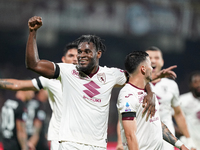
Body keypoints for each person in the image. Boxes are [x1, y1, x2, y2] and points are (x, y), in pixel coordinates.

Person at [25, 16, 177, 150]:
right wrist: (33, 33)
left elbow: (138, 78)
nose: (81, 55)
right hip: (70, 143)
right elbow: (34, 64)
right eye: (80, 51)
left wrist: (150, 93)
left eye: (87, 52)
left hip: (98, 145)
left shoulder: (111, 75)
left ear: (98, 54)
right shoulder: (66, 71)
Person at [0, 42, 78, 150]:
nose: (75, 59)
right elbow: (19, 84)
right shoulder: (52, 80)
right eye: (71, 55)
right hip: (60, 141)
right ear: (63, 60)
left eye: (78, 56)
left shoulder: (91, 80)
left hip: (82, 139)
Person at [117, 51, 188, 150]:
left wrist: (181, 146)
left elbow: (157, 122)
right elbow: (130, 136)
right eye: (150, 65)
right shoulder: (128, 95)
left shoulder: (148, 92)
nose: (152, 69)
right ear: (143, 69)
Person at [145, 46, 195, 150]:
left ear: (162, 62)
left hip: (167, 140)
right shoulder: (137, 85)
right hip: (143, 136)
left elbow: (178, 114)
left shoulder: (171, 85)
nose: (153, 60)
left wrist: (188, 139)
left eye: (157, 57)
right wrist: (120, 142)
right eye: (150, 58)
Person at [179, 71, 200, 149]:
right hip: (190, 144)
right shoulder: (183, 100)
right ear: (190, 85)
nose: (198, 85)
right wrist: (182, 132)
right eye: (195, 82)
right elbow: (172, 115)